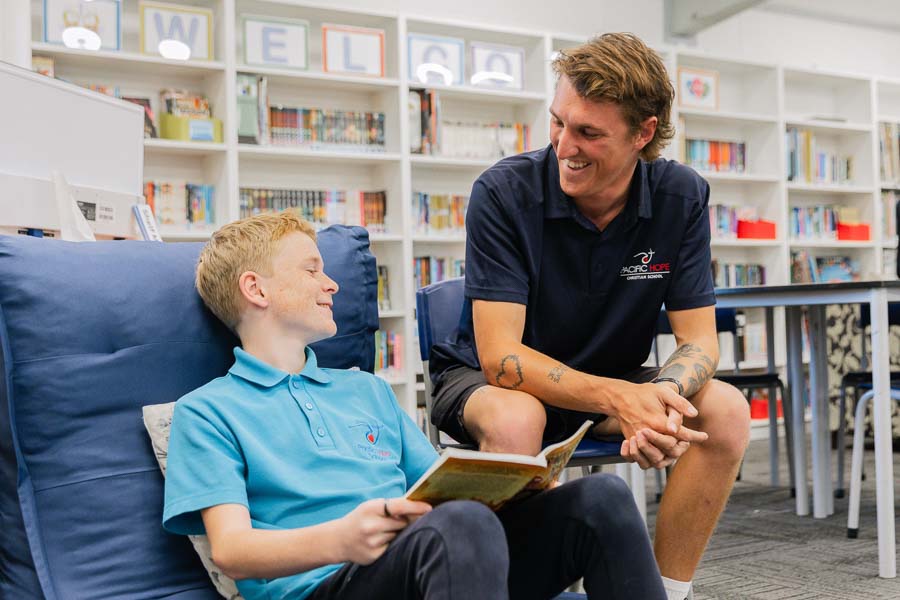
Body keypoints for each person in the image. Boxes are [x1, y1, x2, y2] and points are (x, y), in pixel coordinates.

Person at [162, 211, 666, 600]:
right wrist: (342, 540)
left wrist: (521, 489)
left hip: (428, 567)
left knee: (601, 499)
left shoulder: (368, 391)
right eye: (312, 269)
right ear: (256, 289)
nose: (331, 283)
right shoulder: (207, 412)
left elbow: (447, 493)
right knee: (458, 528)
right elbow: (232, 551)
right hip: (323, 585)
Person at [428, 32, 751, 600]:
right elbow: (501, 358)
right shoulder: (504, 192)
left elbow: (699, 340)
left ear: (643, 133)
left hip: (610, 379)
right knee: (516, 420)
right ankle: (528, 588)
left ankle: (665, 592)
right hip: (490, 382)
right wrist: (619, 399)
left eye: (588, 133)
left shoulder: (681, 196)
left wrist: (662, 400)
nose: (563, 145)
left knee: (724, 409)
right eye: (558, 121)